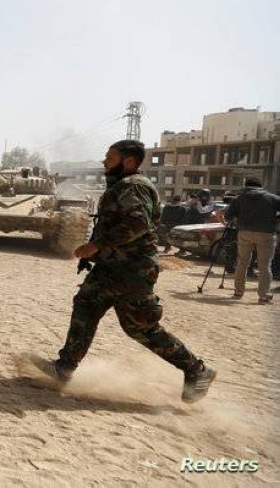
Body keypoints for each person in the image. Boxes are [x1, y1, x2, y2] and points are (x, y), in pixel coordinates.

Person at [36, 140, 215, 403]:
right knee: (86, 303)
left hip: (133, 268)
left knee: (140, 327)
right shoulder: (122, 185)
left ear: (129, 161)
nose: (104, 161)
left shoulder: (133, 186)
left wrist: (96, 245)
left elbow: (139, 223)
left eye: (110, 157)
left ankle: (197, 370)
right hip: (112, 265)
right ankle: (65, 367)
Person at [225, 178, 280, 304]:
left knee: (242, 263)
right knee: (264, 265)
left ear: (246, 186)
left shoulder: (238, 198)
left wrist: (239, 217)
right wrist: (275, 218)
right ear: (261, 186)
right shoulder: (272, 198)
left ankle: (238, 292)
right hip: (266, 233)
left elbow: (228, 217)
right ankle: (263, 296)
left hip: (244, 232)